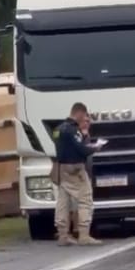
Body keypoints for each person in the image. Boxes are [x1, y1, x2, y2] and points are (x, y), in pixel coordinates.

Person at [52, 102, 103, 246]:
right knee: (85, 199)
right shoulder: (73, 130)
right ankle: (84, 235)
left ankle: (63, 234)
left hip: (61, 169)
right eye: (84, 115)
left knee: (63, 201)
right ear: (79, 113)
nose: (85, 119)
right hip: (76, 169)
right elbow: (82, 149)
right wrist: (95, 148)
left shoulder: (58, 129)